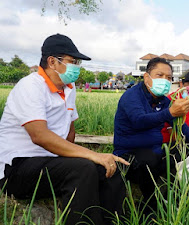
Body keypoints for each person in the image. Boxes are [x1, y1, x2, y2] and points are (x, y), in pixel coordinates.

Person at [0, 34, 129, 225]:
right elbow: (39, 135)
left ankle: (116, 222)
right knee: (83, 168)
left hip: (51, 164)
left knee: (110, 168)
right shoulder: (30, 86)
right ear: (52, 61)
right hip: (18, 168)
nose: (77, 66)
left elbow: (70, 131)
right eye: (73, 61)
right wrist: (91, 155)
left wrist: (87, 158)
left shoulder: (69, 88)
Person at [113, 57, 189, 217]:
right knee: (149, 159)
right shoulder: (132, 96)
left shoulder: (163, 100)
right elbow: (139, 120)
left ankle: (176, 201)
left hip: (154, 152)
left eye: (169, 78)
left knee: (185, 154)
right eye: (159, 75)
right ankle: (150, 210)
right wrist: (169, 112)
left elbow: (180, 124)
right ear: (147, 77)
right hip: (129, 157)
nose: (165, 80)